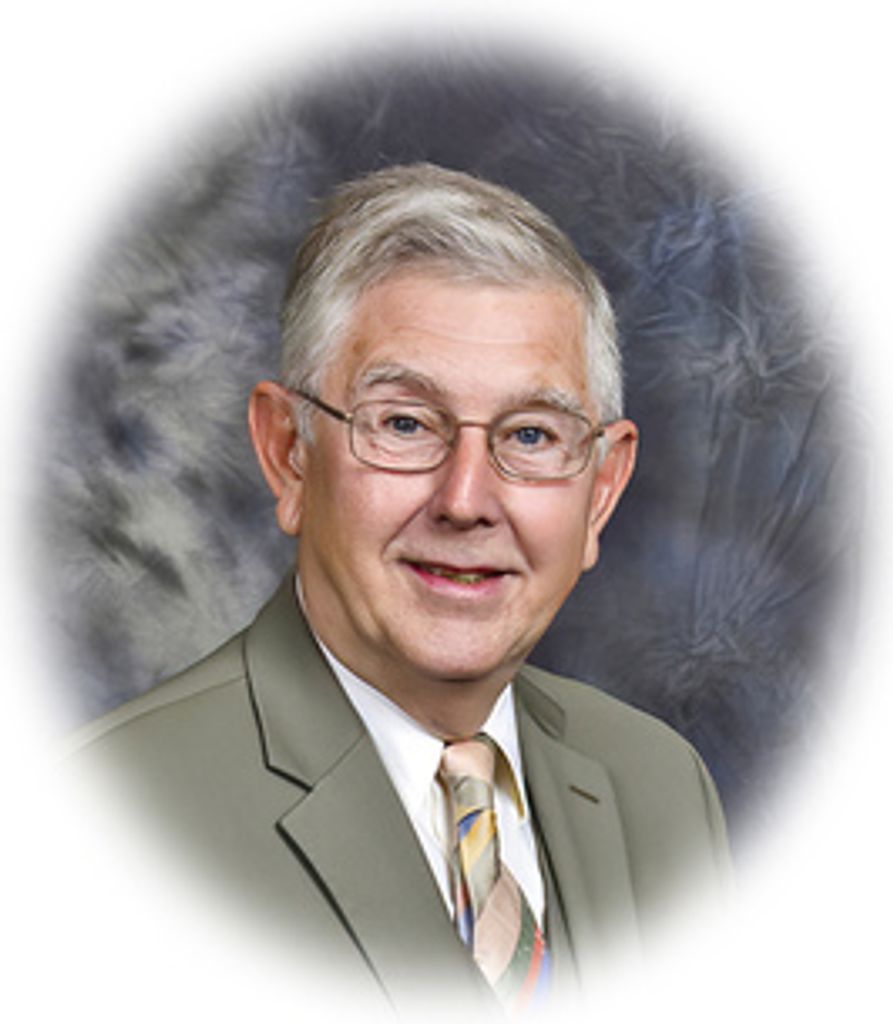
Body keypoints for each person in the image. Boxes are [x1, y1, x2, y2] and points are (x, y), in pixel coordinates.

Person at [68, 163, 731, 1016]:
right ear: (288, 453)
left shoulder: (662, 787)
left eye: (531, 435)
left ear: (600, 491)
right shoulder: (104, 816)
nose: (465, 500)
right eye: (405, 424)